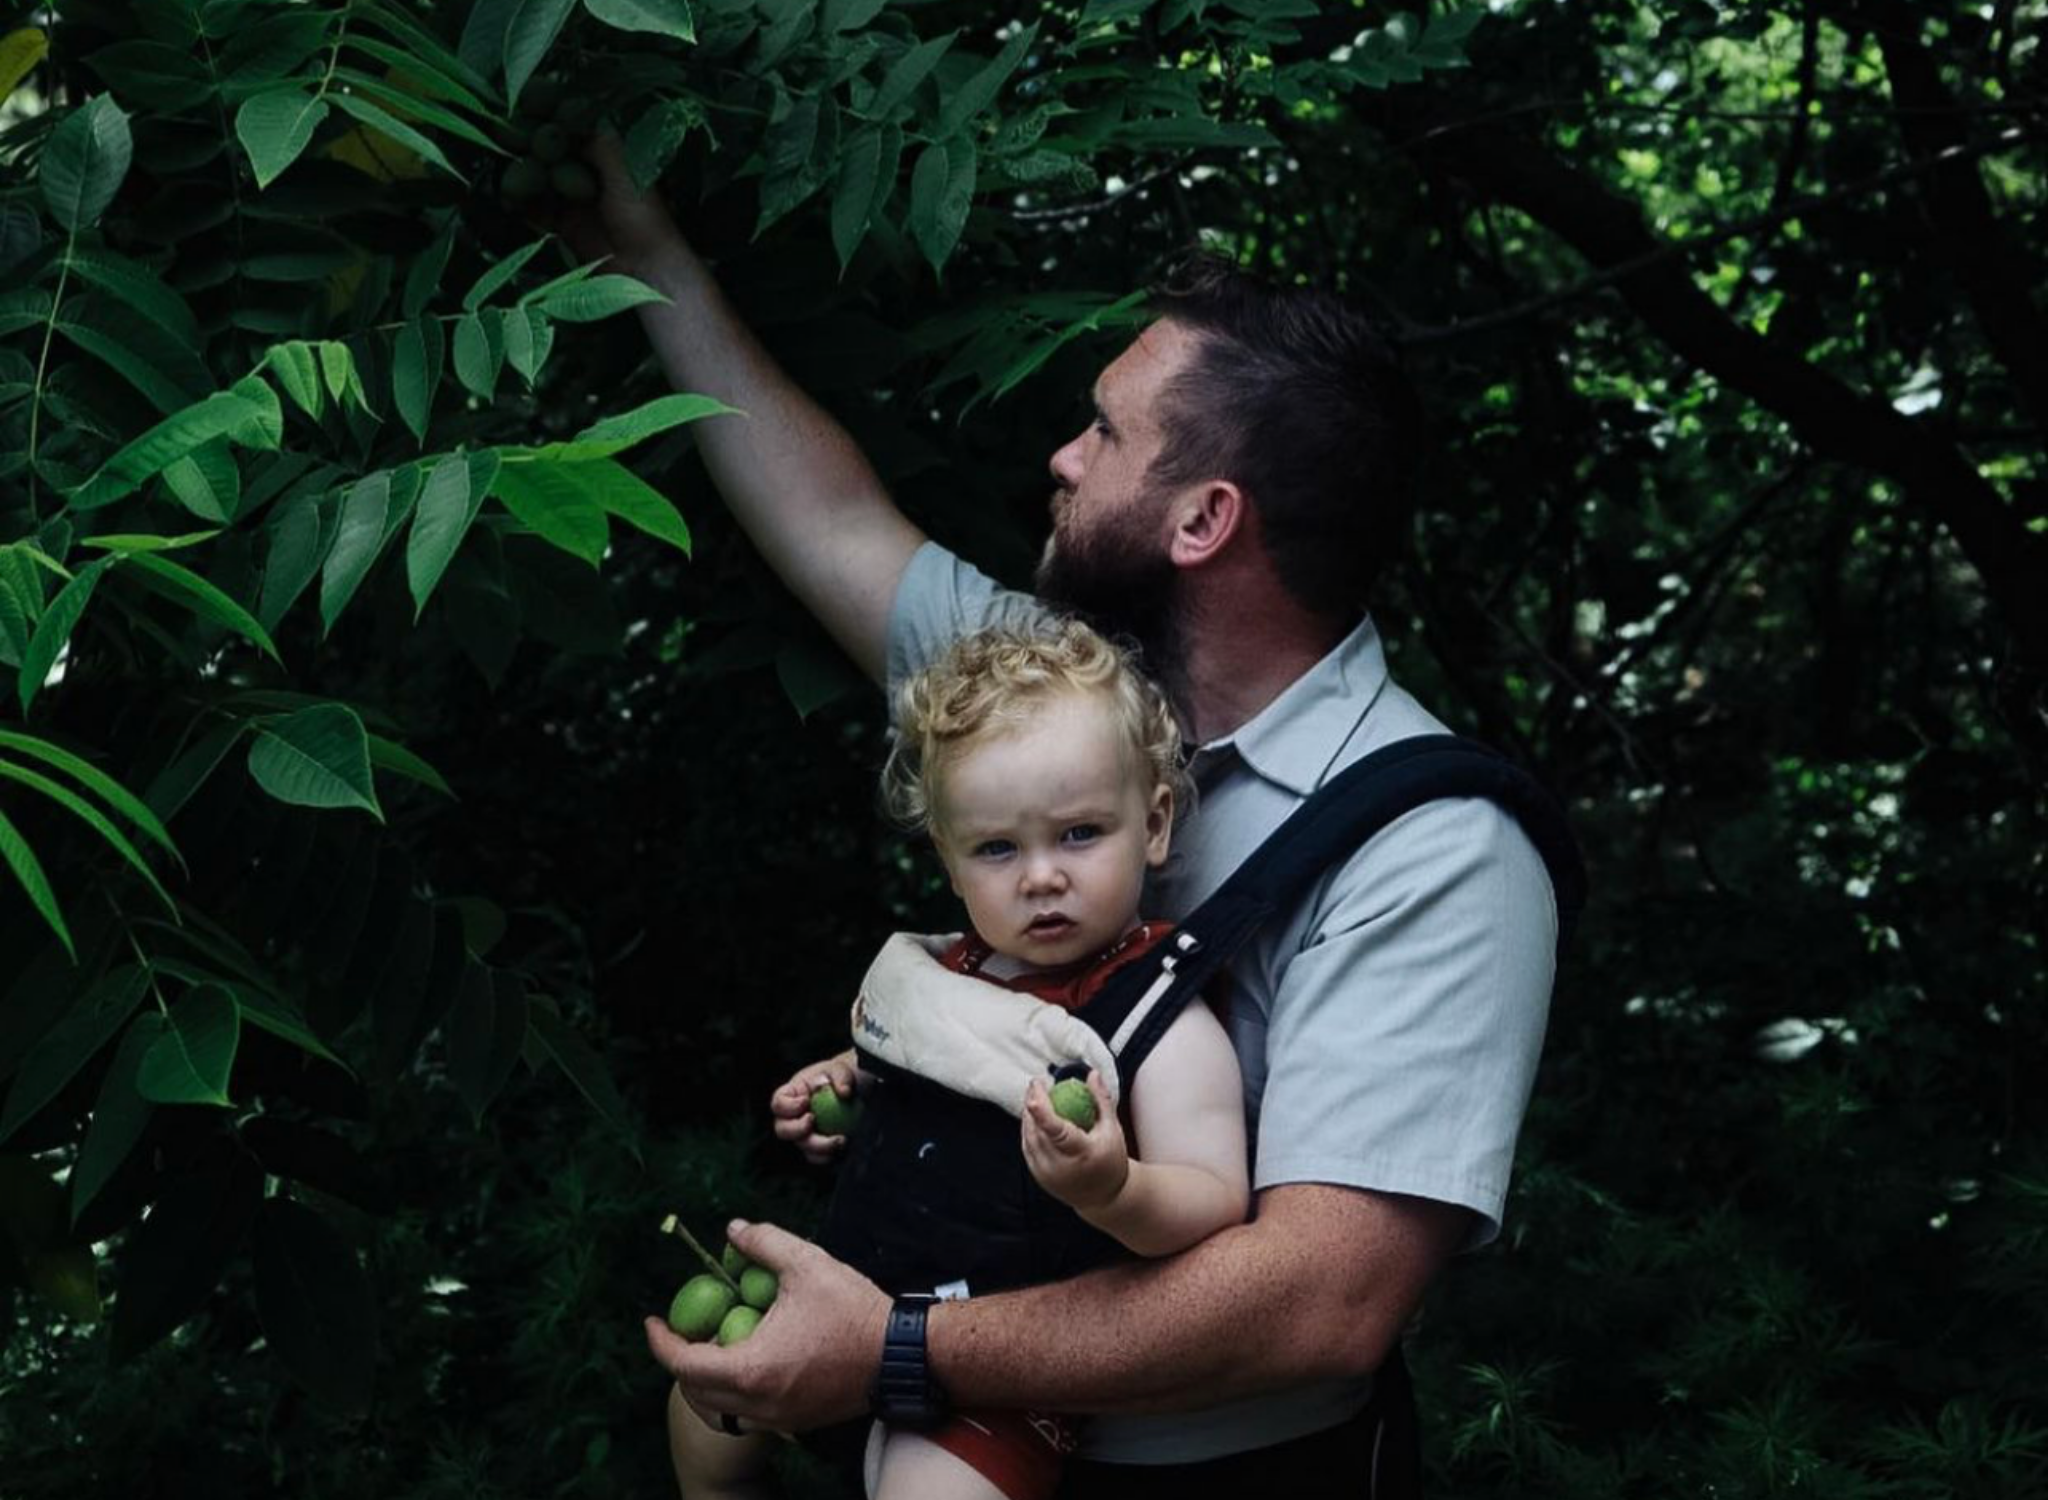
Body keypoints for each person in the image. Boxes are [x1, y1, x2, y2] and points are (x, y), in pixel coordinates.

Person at [579, 128, 1559, 1497]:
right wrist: (642, 255)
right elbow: (835, 526)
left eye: (1104, 431)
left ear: (1203, 519)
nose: (1061, 454)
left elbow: (1320, 1307)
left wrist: (899, 1353)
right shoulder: (1039, 698)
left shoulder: (1437, 848)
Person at [673, 620, 1247, 1500]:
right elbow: (912, 1071)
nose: (1042, 876)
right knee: (702, 1403)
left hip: (1002, 1371)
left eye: (1081, 833)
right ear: (947, 856)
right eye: (997, 849)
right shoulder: (946, 972)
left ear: (1155, 822)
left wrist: (1112, 1190)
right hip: (851, 1298)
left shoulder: (1156, 1016)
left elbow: (1215, 1200)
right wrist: (844, 1087)